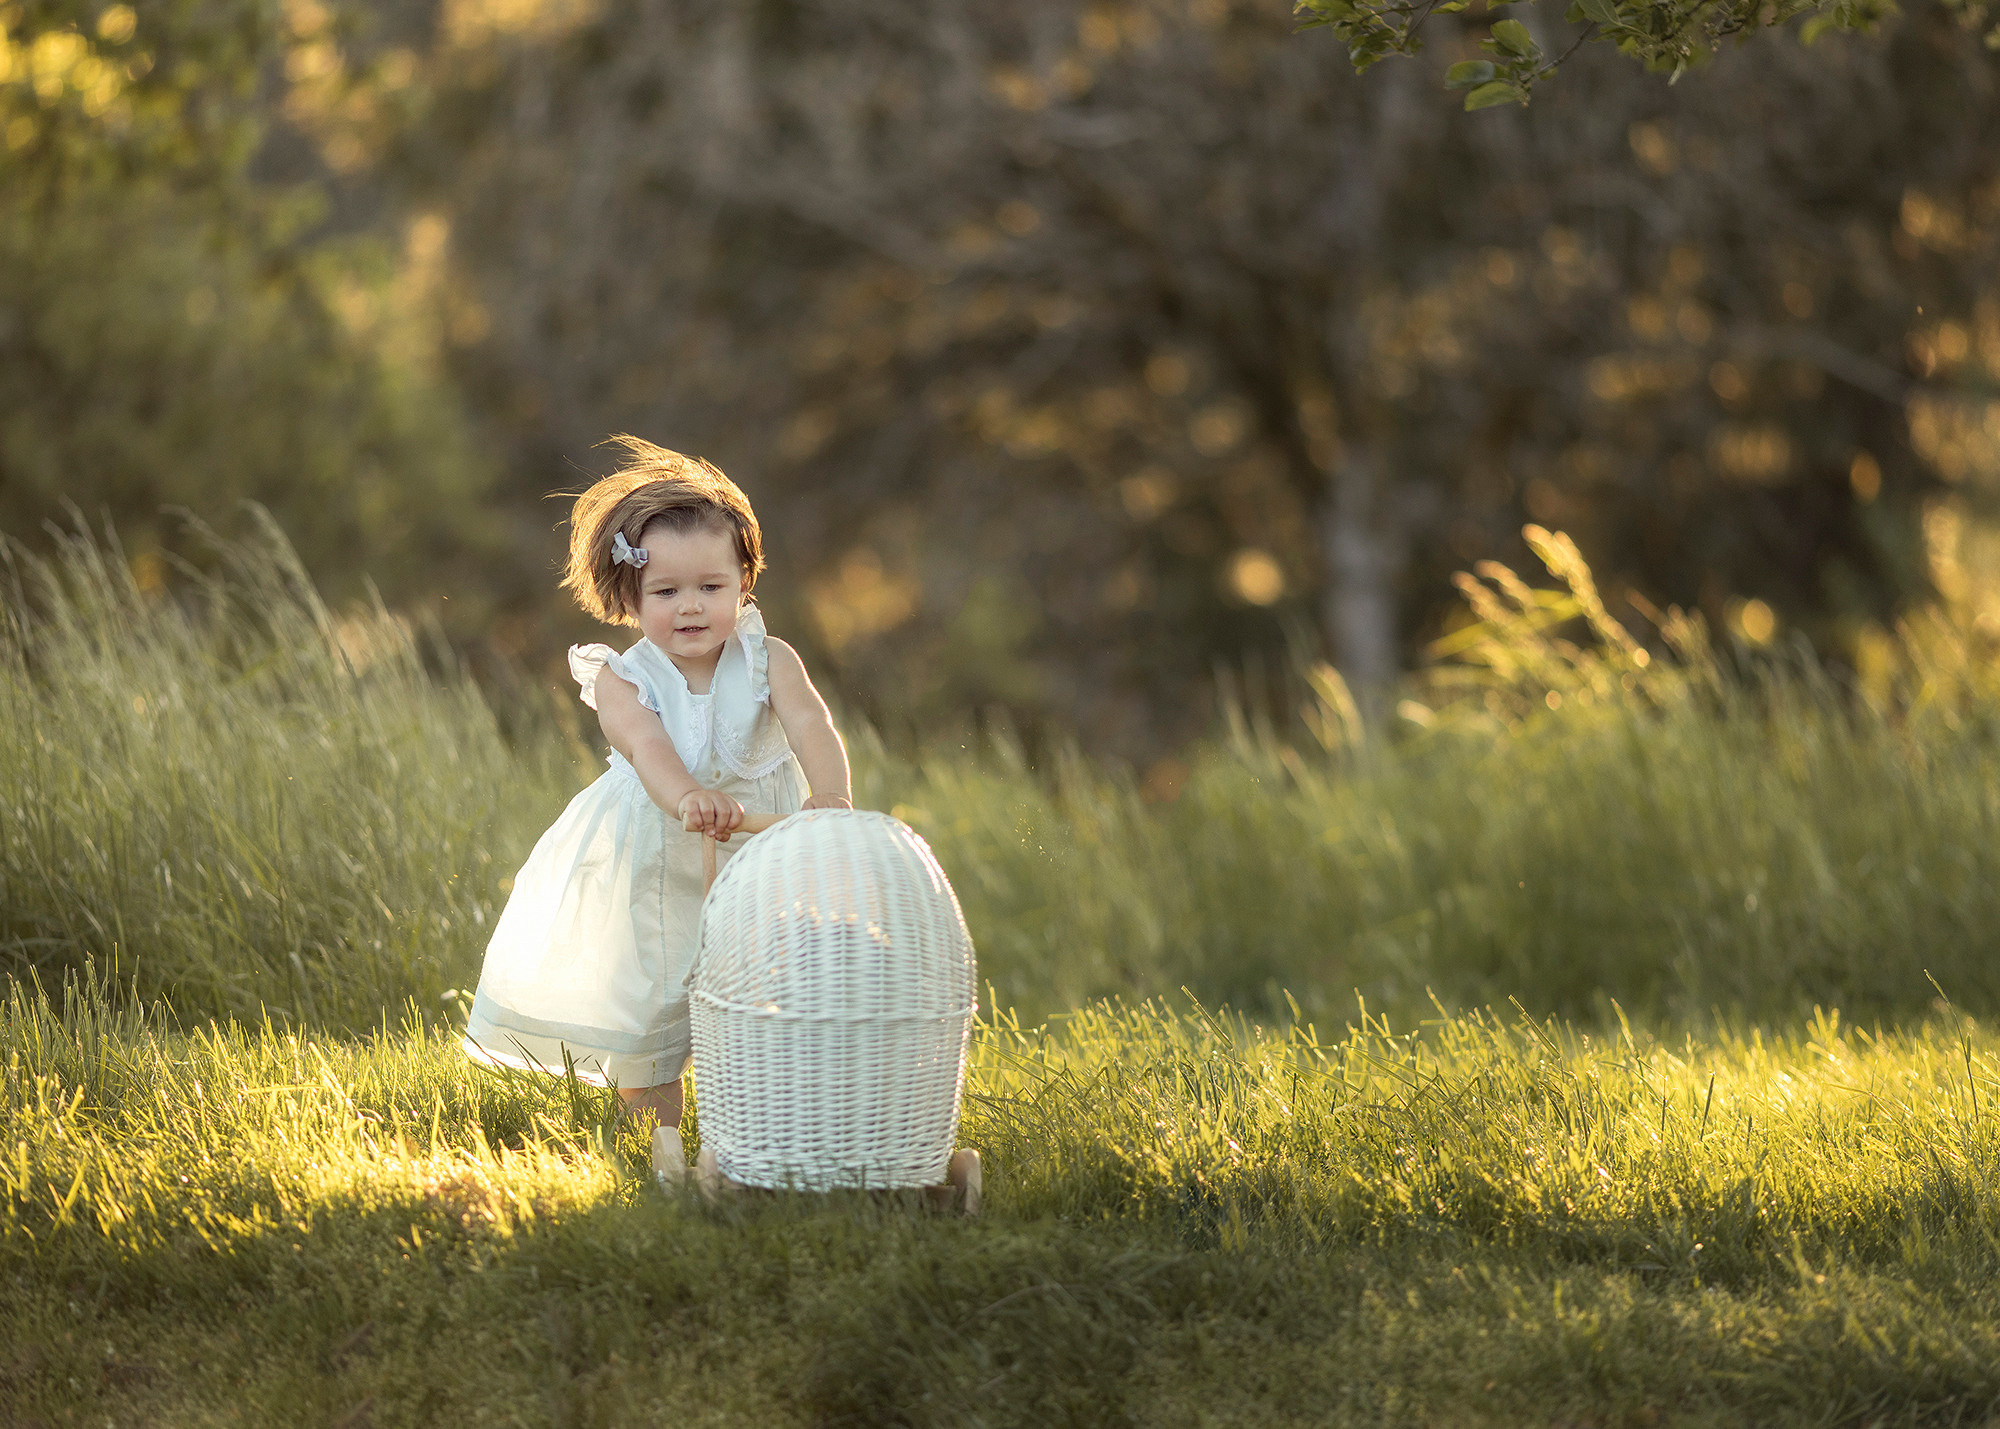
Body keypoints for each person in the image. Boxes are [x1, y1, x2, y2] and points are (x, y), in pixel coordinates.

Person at [462, 435, 851, 1137]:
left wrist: (830, 793)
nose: (692, 606)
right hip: (657, 859)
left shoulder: (770, 659)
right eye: (667, 591)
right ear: (629, 595)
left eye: (712, 587)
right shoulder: (621, 678)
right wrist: (687, 797)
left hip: (761, 853)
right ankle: (655, 1140)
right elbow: (646, 747)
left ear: (744, 584)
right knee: (653, 1005)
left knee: (773, 990)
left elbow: (812, 724)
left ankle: (772, 1131)